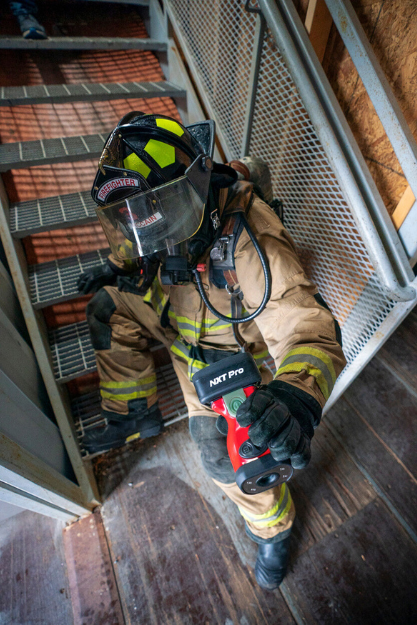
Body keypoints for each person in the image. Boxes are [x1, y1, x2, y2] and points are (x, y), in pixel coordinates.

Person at [77, 112, 346, 589]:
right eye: (132, 220)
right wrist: (118, 270)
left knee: (222, 456)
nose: (145, 236)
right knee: (106, 306)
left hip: (225, 357)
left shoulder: (247, 231)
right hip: (172, 322)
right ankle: (134, 411)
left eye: (155, 217)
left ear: (193, 190)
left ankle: (273, 529)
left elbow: (306, 326)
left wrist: (295, 396)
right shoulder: (152, 210)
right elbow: (137, 234)